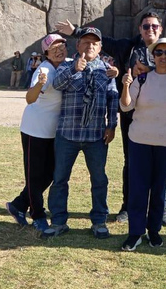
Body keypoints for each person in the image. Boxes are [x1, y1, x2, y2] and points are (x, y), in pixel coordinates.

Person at [55, 13, 166, 227]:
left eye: (155, 26)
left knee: (162, 165)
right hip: (133, 115)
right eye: (146, 26)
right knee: (130, 162)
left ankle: (162, 209)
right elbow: (103, 43)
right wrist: (75, 31)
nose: (151, 29)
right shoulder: (129, 46)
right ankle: (128, 206)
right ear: (140, 29)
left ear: (161, 29)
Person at [43, 27, 119, 239]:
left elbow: (113, 98)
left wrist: (112, 125)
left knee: (99, 180)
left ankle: (99, 221)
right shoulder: (66, 65)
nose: (90, 46)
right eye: (85, 42)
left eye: (95, 43)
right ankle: (58, 221)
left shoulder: (107, 70)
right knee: (59, 179)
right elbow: (57, 85)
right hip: (68, 135)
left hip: (96, 136)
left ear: (100, 47)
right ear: (78, 46)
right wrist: (75, 70)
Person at [118, 38, 166, 251]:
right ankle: (135, 232)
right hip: (139, 141)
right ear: (152, 56)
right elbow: (126, 107)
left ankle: (153, 231)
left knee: (159, 189)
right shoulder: (143, 78)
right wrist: (126, 86)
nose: (163, 57)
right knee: (138, 188)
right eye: (159, 53)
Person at [5, 34, 68, 234]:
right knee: (34, 176)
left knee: (50, 174)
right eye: (53, 47)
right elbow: (30, 98)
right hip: (35, 130)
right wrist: (40, 84)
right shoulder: (43, 69)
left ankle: (18, 204)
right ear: (46, 52)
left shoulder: (67, 64)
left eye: (61, 46)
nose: (58, 50)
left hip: (54, 132)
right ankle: (38, 215)